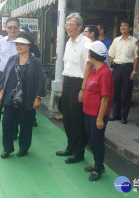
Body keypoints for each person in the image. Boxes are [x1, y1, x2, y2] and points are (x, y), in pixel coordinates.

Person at [0, 31, 45, 158]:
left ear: (29, 45)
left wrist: (38, 97)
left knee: (25, 125)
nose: (18, 46)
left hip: (27, 98)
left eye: (22, 44)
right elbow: (4, 77)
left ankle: (24, 148)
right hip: (10, 97)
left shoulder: (35, 62)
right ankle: (7, 148)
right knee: (6, 123)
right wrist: (1, 92)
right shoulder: (12, 59)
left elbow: (41, 80)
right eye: (17, 44)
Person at [56, 12, 91, 164]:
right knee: (68, 117)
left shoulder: (86, 43)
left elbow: (89, 66)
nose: (68, 28)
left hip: (79, 83)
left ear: (79, 27)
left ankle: (79, 152)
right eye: (67, 25)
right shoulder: (69, 42)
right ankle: (70, 146)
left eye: (71, 25)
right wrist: (63, 84)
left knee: (77, 119)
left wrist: (83, 90)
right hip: (68, 82)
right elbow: (67, 66)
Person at [83, 41, 114, 182]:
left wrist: (100, 118)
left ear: (92, 55)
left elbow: (105, 97)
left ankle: (98, 168)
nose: (87, 54)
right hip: (88, 112)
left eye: (89, 52)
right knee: (91, 139)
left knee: (97, 141)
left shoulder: (105, 73)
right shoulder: (96, 69)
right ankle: (97, 163)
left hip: (97, 114)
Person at [108, 19, 139, 124]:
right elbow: (111, 55)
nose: (123, 27)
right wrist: (108, 70)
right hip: (116, 68)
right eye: (121, 25)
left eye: (125, 25)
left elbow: (136, 57)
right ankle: (116, 114)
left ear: (130, 28)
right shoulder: (116, 40)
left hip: (128, 68)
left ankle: (124, 116)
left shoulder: (135, 41)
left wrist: (134, 71)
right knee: (115, 92)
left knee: (127, 92)